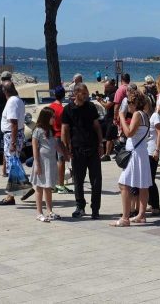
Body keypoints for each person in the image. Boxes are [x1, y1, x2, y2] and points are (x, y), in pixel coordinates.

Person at [110, 88, 152, 226]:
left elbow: (129, 133)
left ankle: (125, 218)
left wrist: (121, 117)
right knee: (143, 185)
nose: (127, 104)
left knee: (123, 184)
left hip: (135, 154)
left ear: (134, 102)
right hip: (142, 153)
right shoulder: (146, 115)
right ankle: (141, 215)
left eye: (129, 102)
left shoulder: (137, 115)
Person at [62, 83, 103, 219]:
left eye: (86, 93)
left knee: (96, 180)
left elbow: (97, 126)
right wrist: (66, 148)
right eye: (84, 94)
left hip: (92, 148)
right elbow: (65, 130)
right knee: (78, 180)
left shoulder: (91, 107)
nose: (86, 96)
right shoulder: (68, 109)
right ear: (76, 93)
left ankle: (95, 209)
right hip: (77, 149)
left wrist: (100, 144)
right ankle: (80, 207)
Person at [30, 108, 65, 221]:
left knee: (48, 187)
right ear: (46, 117)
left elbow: (55, 145)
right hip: (41, 162)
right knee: (39, 187)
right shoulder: (38, 130)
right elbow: (35, 147)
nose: (54, 119)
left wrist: (65, 154)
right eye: (53, 117)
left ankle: (50, 211)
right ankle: (39, 212)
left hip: (50, 162)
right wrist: (37, 164)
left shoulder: (50, 130)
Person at [0, 81, 26, 206]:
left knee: (12, 165)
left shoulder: (12, 101)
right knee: (14, 164)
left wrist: (13, 142)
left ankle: (11, 196)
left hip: (11, 135)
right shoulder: (18, 100)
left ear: (5, 91)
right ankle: (24, 188)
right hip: (15, 134)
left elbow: (13, 123)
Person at [48, 85, 70, 193]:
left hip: (51, 136)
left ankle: (53, 184)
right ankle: (60, 184)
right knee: (61, 160)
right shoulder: (62, 109)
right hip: (59, 136)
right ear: (63, 95)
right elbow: (65, 127)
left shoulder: (50, 107)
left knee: (53, 160)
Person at [146, 100, 160, 216]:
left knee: (151, 179)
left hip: (152, 151)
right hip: (145, 151)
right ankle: (150, 203)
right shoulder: (144, 116)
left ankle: (156, 206)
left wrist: (157, 150)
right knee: (147, 180)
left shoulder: (155, 116)